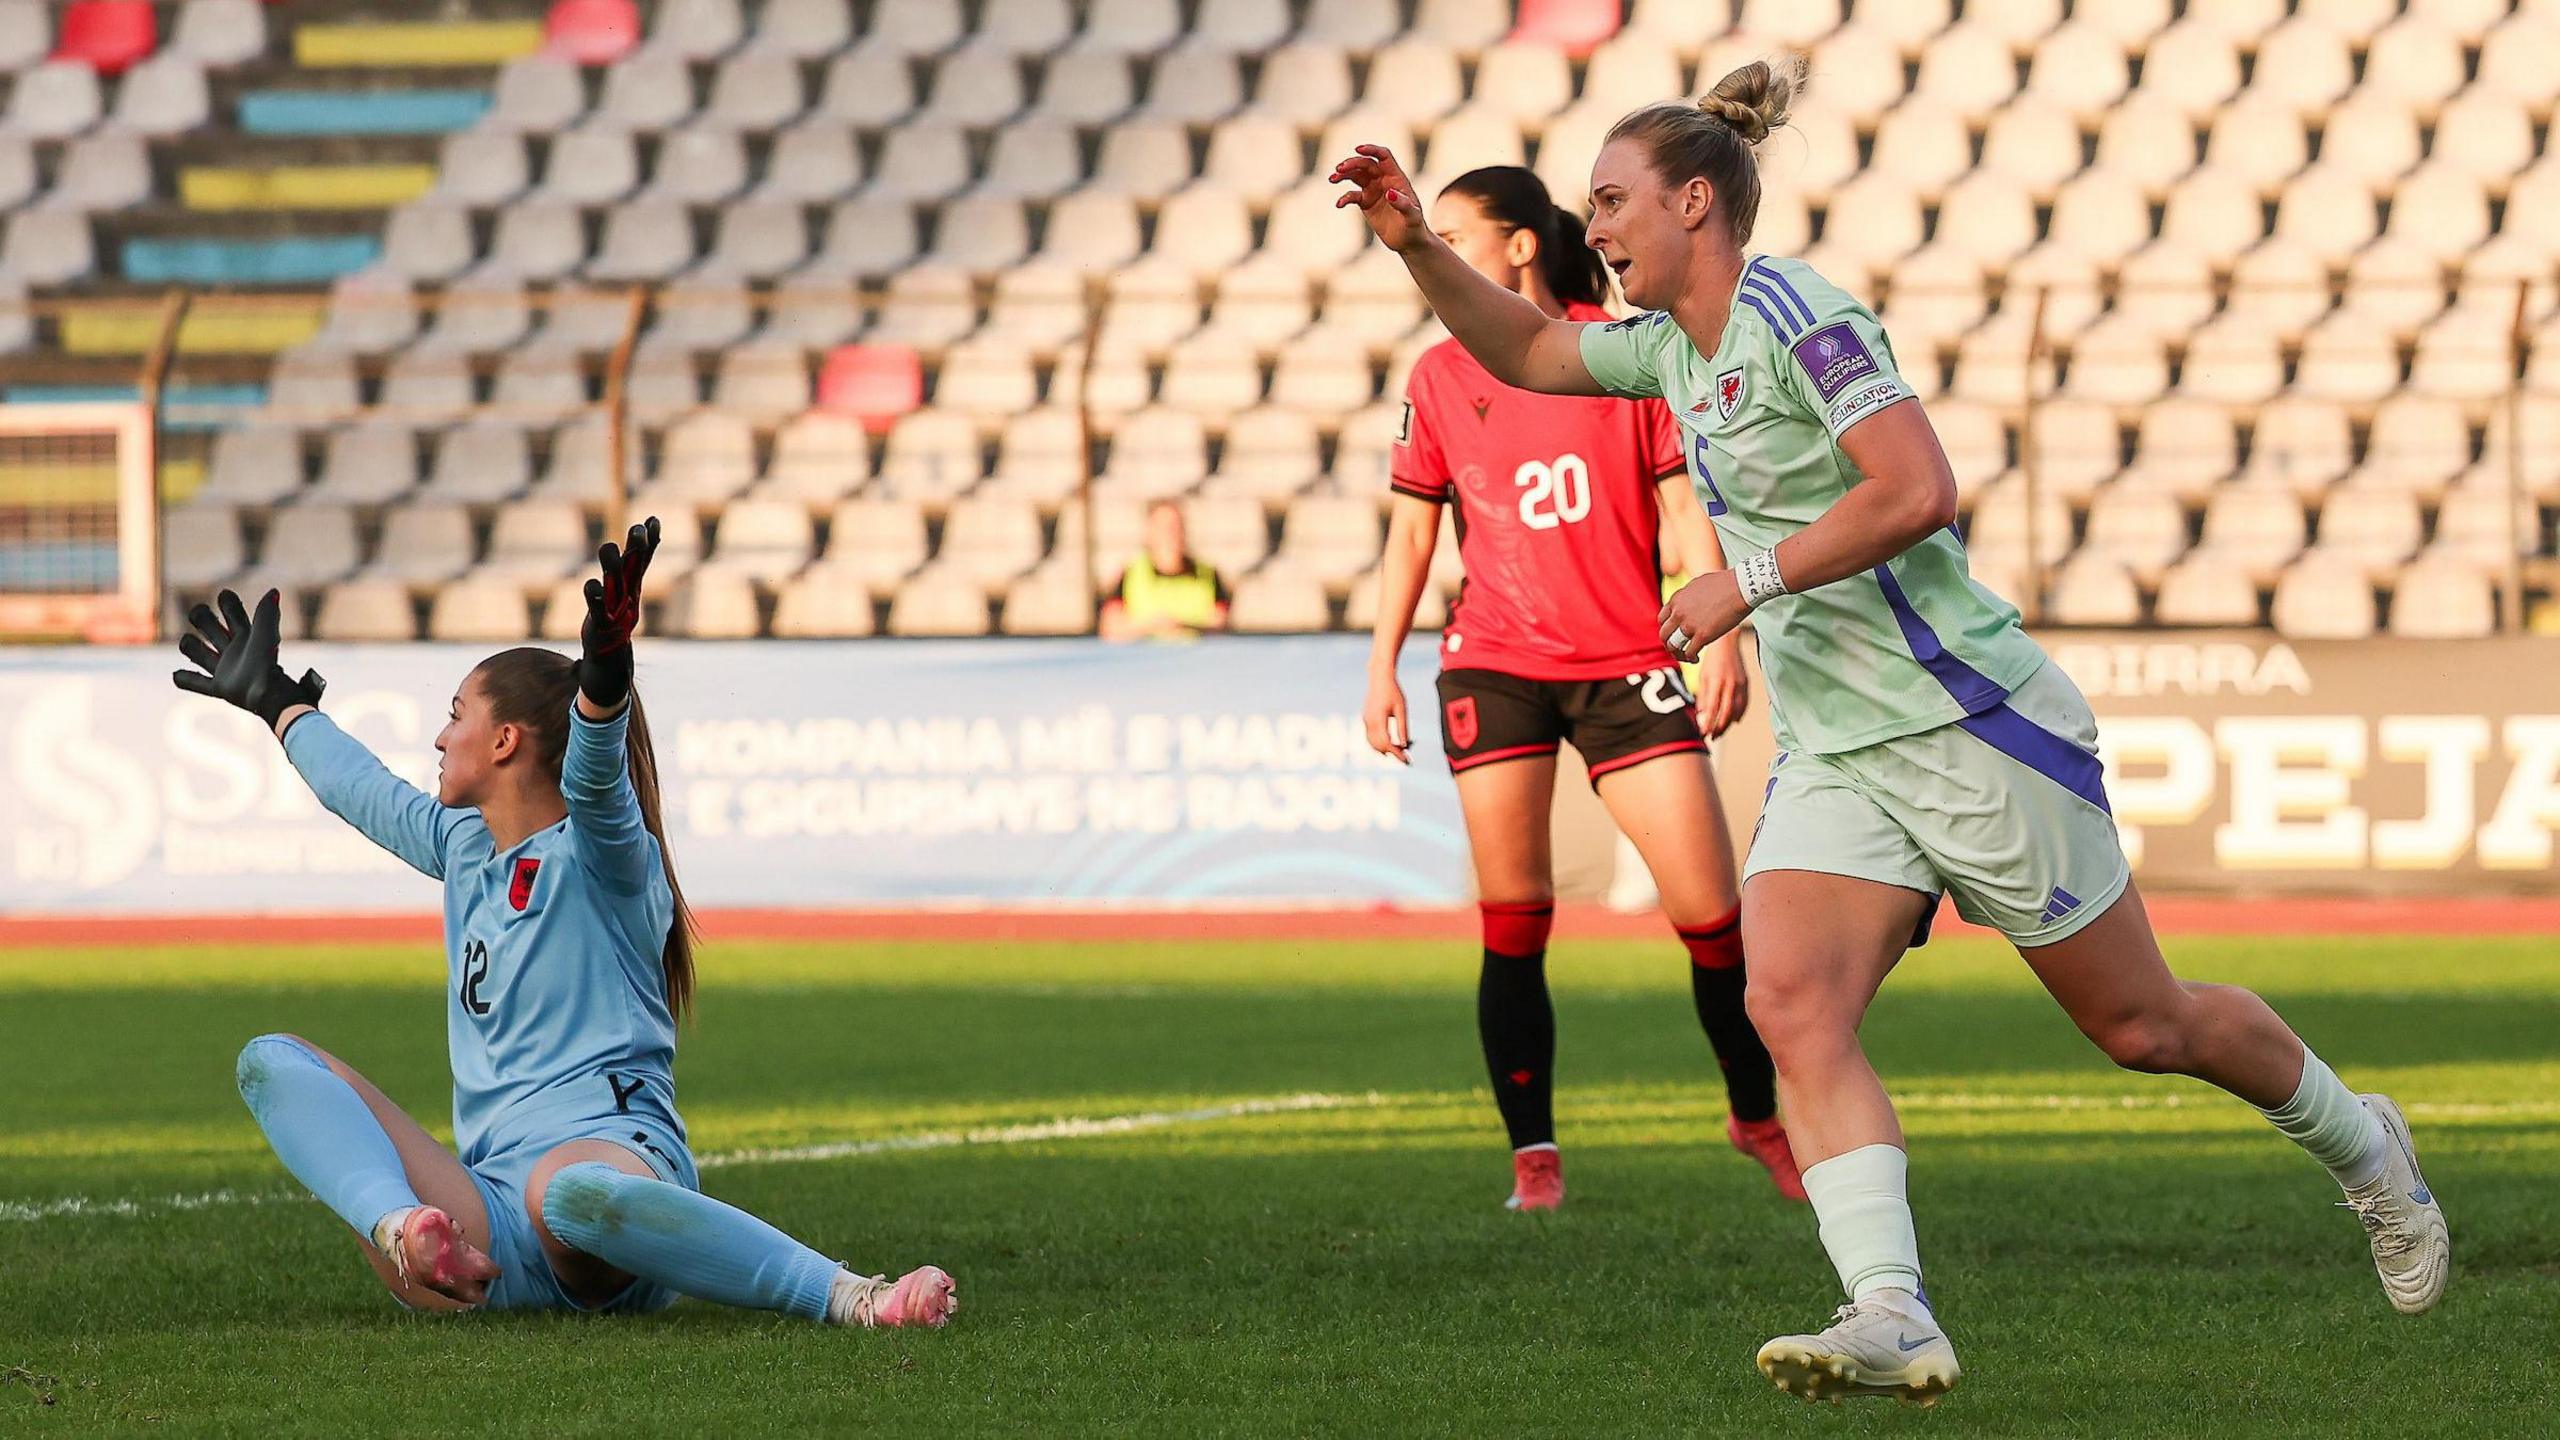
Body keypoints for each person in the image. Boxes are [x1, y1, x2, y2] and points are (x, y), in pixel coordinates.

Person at [1331, 58, 2445, 1406]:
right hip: (1841, 750)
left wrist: (1744, 581)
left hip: (1969, 724)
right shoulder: (1666, 346)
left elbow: (1918, 487)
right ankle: (1892, 1310)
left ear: (1696, 202)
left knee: (2147, 1026)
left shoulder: (1799, 312)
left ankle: (2367, 1151)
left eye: (1613, 200)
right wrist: (1413, 249)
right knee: (1789, 1000)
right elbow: (1521, 349)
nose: (1597, 227)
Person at [178, 525, 957, 1328]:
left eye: (456, 716)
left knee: (572, 1195)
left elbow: (594, 777)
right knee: (272, 1062)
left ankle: (851, 1296)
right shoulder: (465, 845)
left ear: (506, 740)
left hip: (608, 1185)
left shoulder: (604, 855)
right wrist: (278, 701)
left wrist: (604, 679)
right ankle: (406, 1232)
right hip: (492, 1228)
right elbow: (361, 789)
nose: (441, 736)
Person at [1361, 165, 1799, 1213]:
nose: (1441, 250)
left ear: (1519, 246)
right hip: (1495, 662)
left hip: (1626, 664)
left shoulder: (1616, 356)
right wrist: (1379, 663)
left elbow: (1683, 506)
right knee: (1514, 916)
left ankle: (1757, 1118)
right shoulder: (1436, 375)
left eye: (1456, 235)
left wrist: (1723, 630)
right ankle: (1535, 1161)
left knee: (1710, 918)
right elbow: (1413, 528)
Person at [1099, 500, 1230, 641]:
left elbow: (1221, 623)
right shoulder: (1130, 574)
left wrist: (1183, 626)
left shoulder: (1208, 574)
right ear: (1150, 531)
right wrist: (1152, 626)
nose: (1170, 533)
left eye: (1175, 526)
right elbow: (1110, 628)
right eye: (1163, 527)